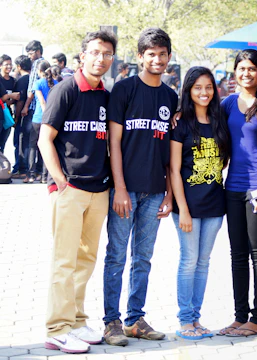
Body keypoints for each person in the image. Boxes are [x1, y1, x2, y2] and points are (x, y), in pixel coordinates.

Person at [38, 30, 117, 354]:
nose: (101, 59)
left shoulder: (106, 95)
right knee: (64, 261)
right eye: (95, 52)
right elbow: (45, 139)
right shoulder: (66, 89)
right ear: (82, 56)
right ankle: (57, 328)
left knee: (85, 259)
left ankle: (76, 319)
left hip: (98, 191)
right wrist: (60, 183)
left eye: (107, 54)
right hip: (70, 189)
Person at [102, 27, 178, 346]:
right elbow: (114, 143)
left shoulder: (170, 96)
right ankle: (111, 322)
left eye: (162, 54)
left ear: (169, 57)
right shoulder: (124, 89)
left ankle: (135, 319)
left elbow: (171, 151)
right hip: (126, 189)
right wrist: (119, 188)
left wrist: (170, 195)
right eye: (151, 54)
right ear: (140, 57)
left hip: (155, 190)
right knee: (117, 255)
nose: (157, 59)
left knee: (143, 258)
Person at [218, 49, 257, 337]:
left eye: (252, 69)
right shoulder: (228, 103)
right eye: (241, 68)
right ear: (235, 73)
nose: (246, 73)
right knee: (236, 254)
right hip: (232, 186)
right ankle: (239, 315)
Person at [170, 66, 230, 340]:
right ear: (188, 90)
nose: (204, 92)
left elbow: (224, 161)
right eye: (198, 88)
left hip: (215, 205)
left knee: (203, 262)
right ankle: (185, 320)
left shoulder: (220, 120)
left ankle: (197, 319)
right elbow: (173, 169)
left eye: (208, 87)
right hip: (188, 207)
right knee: (189, 261)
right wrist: (181, 208)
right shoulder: (180, 123)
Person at [27, 60, 60, 183]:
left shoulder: (38, 83)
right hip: (52, 120)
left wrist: (45, 116)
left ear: (39, 71)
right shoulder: (56, 83)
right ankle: (44, 176)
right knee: (48, 146)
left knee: (32, 146)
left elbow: (41, 102)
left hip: (38, 118)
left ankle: (31, 174)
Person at [11, 55, 32, 177]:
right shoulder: (34, 78)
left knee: (19, 142)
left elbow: (20, 100)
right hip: (32, 115)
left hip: (23, 116)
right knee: (28, 143)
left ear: (19, 66)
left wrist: (16, 117)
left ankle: (21, 169)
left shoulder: (22, 80)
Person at [0, 54, 20, 153]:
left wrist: (10, 99)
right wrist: (9, 96)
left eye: (10, 64)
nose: (9, 67)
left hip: (7, 115)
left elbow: (16, 98)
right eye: (6, 64)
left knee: (2, 144)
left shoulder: (13, 81)